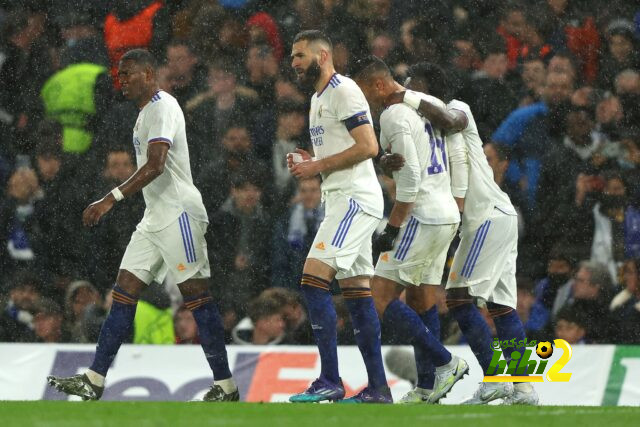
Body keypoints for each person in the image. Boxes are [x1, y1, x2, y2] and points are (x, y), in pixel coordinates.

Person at [46, 49, 237, 402]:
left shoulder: (163, 106)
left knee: (196, 297)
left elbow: (157, 165)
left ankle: (225, 384)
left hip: (179, 213)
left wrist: (110, 198)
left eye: (128, 74)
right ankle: (95, 378)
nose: (122, 81)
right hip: (154, 217)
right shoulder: (143, 114)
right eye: (119, 75)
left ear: (149, 74)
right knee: (123, 293)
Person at [384, 62, 538, 405]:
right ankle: (524, 388)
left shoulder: (457, 109)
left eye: (414, 85)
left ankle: (495, 379)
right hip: (494, 216)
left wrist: (402, 94)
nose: (409, 90)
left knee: (457, 299)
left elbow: (451, 121)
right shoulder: (424, 130)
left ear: (427, 88)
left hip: (484, 217)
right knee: (501, 306)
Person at [352, 56, 469, 404]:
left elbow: (412, 179)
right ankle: (428, 386)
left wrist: (392, 227)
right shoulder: (428, 104)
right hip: (445, 212)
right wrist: (385, 164)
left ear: (377, 85)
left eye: (362, 92)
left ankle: (446, 361)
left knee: (377, 298)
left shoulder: (393, 115)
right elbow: (414, 162)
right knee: (421, 300)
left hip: (420, 216)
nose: (363, 101)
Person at [287, 30, 389, 403]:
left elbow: (369, 146)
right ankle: (379, 389)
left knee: (313, 281)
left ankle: (330, 379)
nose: (294, 63)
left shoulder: (343, 90)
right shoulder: (317, 98)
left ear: (323, 54)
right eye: (293, 57)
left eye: (300, 55)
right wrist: (308, 161)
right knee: (358, 295)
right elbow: (338, 149)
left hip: (354, 199)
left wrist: (318, 166)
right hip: (340, 198)